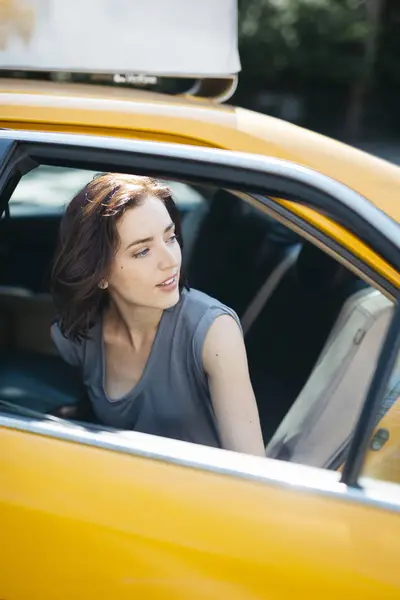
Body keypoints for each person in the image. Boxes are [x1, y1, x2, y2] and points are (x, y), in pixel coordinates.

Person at [50, 173, 265, 456]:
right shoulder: (85, 332)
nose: (170, 260)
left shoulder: (214, 331)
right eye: (143, 251)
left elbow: (252, 471)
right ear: (99, 273)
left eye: (170, 237)